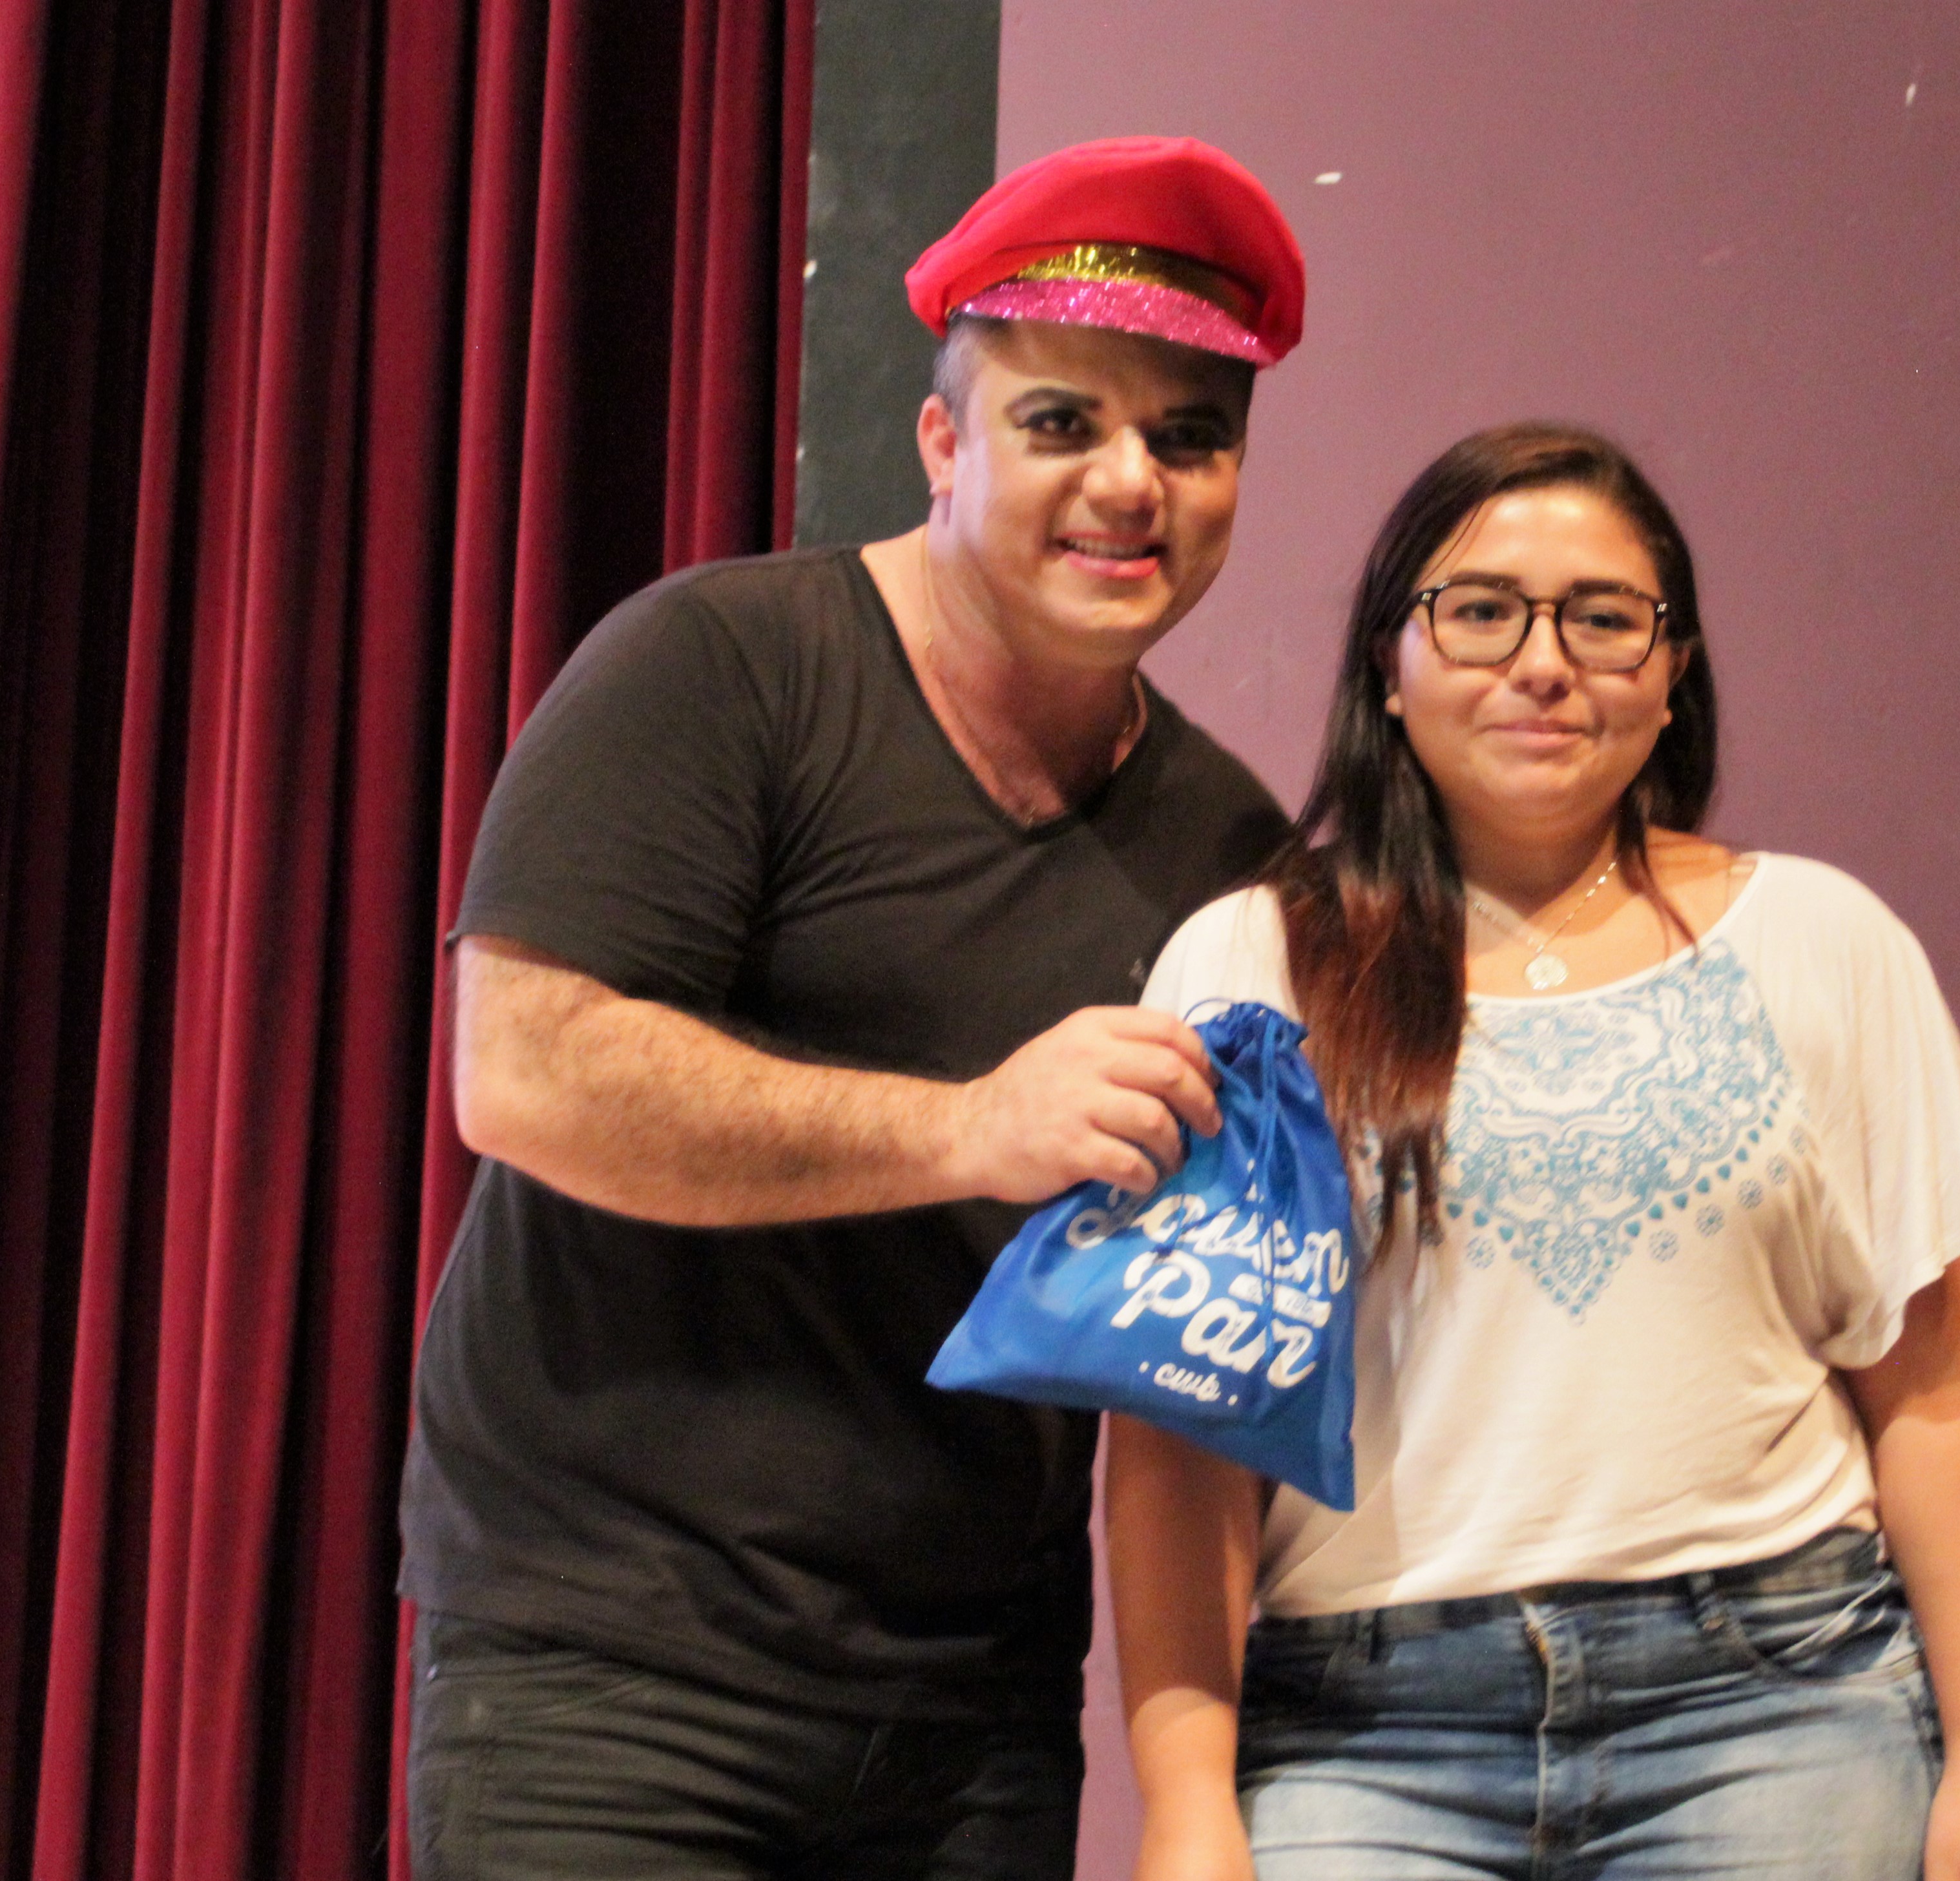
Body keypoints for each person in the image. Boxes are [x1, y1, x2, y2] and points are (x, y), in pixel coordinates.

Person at [401, 138, 1308, 1879]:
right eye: (1063, 422)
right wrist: (970, 1129)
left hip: (975, 1718)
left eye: (1190, 438)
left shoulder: (1233, 851)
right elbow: (525, 1075)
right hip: (618, 1675)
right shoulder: (719, 666)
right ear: (944, 444)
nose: (1131, 483)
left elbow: (1187, 1344)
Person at [1107, 424, 1960, 1881]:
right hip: (1360, 1735)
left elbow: (1937, 1388)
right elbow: (1181, 1444)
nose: (1544, 664)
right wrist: (1184, 1804)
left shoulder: (1828, 943)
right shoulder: (1251, 965)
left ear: (1674, 677)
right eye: (1482, 612)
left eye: (1604, 619)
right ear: (1390, 664)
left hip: (1774, 1707)